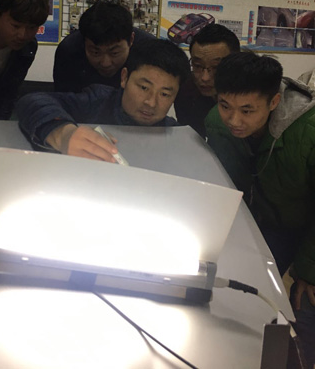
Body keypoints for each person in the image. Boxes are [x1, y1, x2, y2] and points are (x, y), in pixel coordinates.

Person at [205, 52, 315, 367]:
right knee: (239, 295)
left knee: (305, 309)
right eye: (225, 105)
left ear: (274, 102)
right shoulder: (216, 123)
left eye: (247, 110)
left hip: (308, 226)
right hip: (263, 221)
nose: (233, 120)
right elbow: (227, 184)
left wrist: (309, 270)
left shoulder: (308, 131)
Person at [18, 38, 190, 162]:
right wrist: (63, 133)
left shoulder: (177, 135)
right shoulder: (97, 101)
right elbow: (33, 101)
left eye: (164, 94)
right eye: (144, 88)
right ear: (124, 78)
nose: (151, 102)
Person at [53, 0, 155, 92]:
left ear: (131, 40)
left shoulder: (151, 52)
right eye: (95, 53)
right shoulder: (69, 51)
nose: (105, 63)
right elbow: (63, 101)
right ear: (83, 42)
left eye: (114, 53)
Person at [174, 23, 240, 137]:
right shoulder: (185, 92)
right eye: (197, 65)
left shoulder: (253, 94)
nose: (205, 78)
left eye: (216, 67)